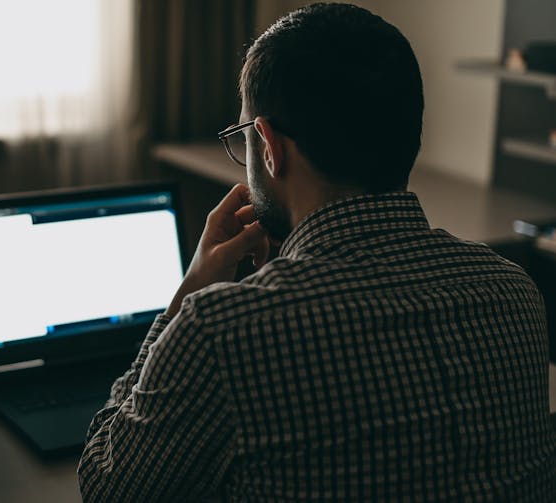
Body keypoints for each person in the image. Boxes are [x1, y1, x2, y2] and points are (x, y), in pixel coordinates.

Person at [78, 3, 556, 501]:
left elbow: (108, 488)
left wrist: (188, 295)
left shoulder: (222, 331)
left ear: (268, 144)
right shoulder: (514, 292)